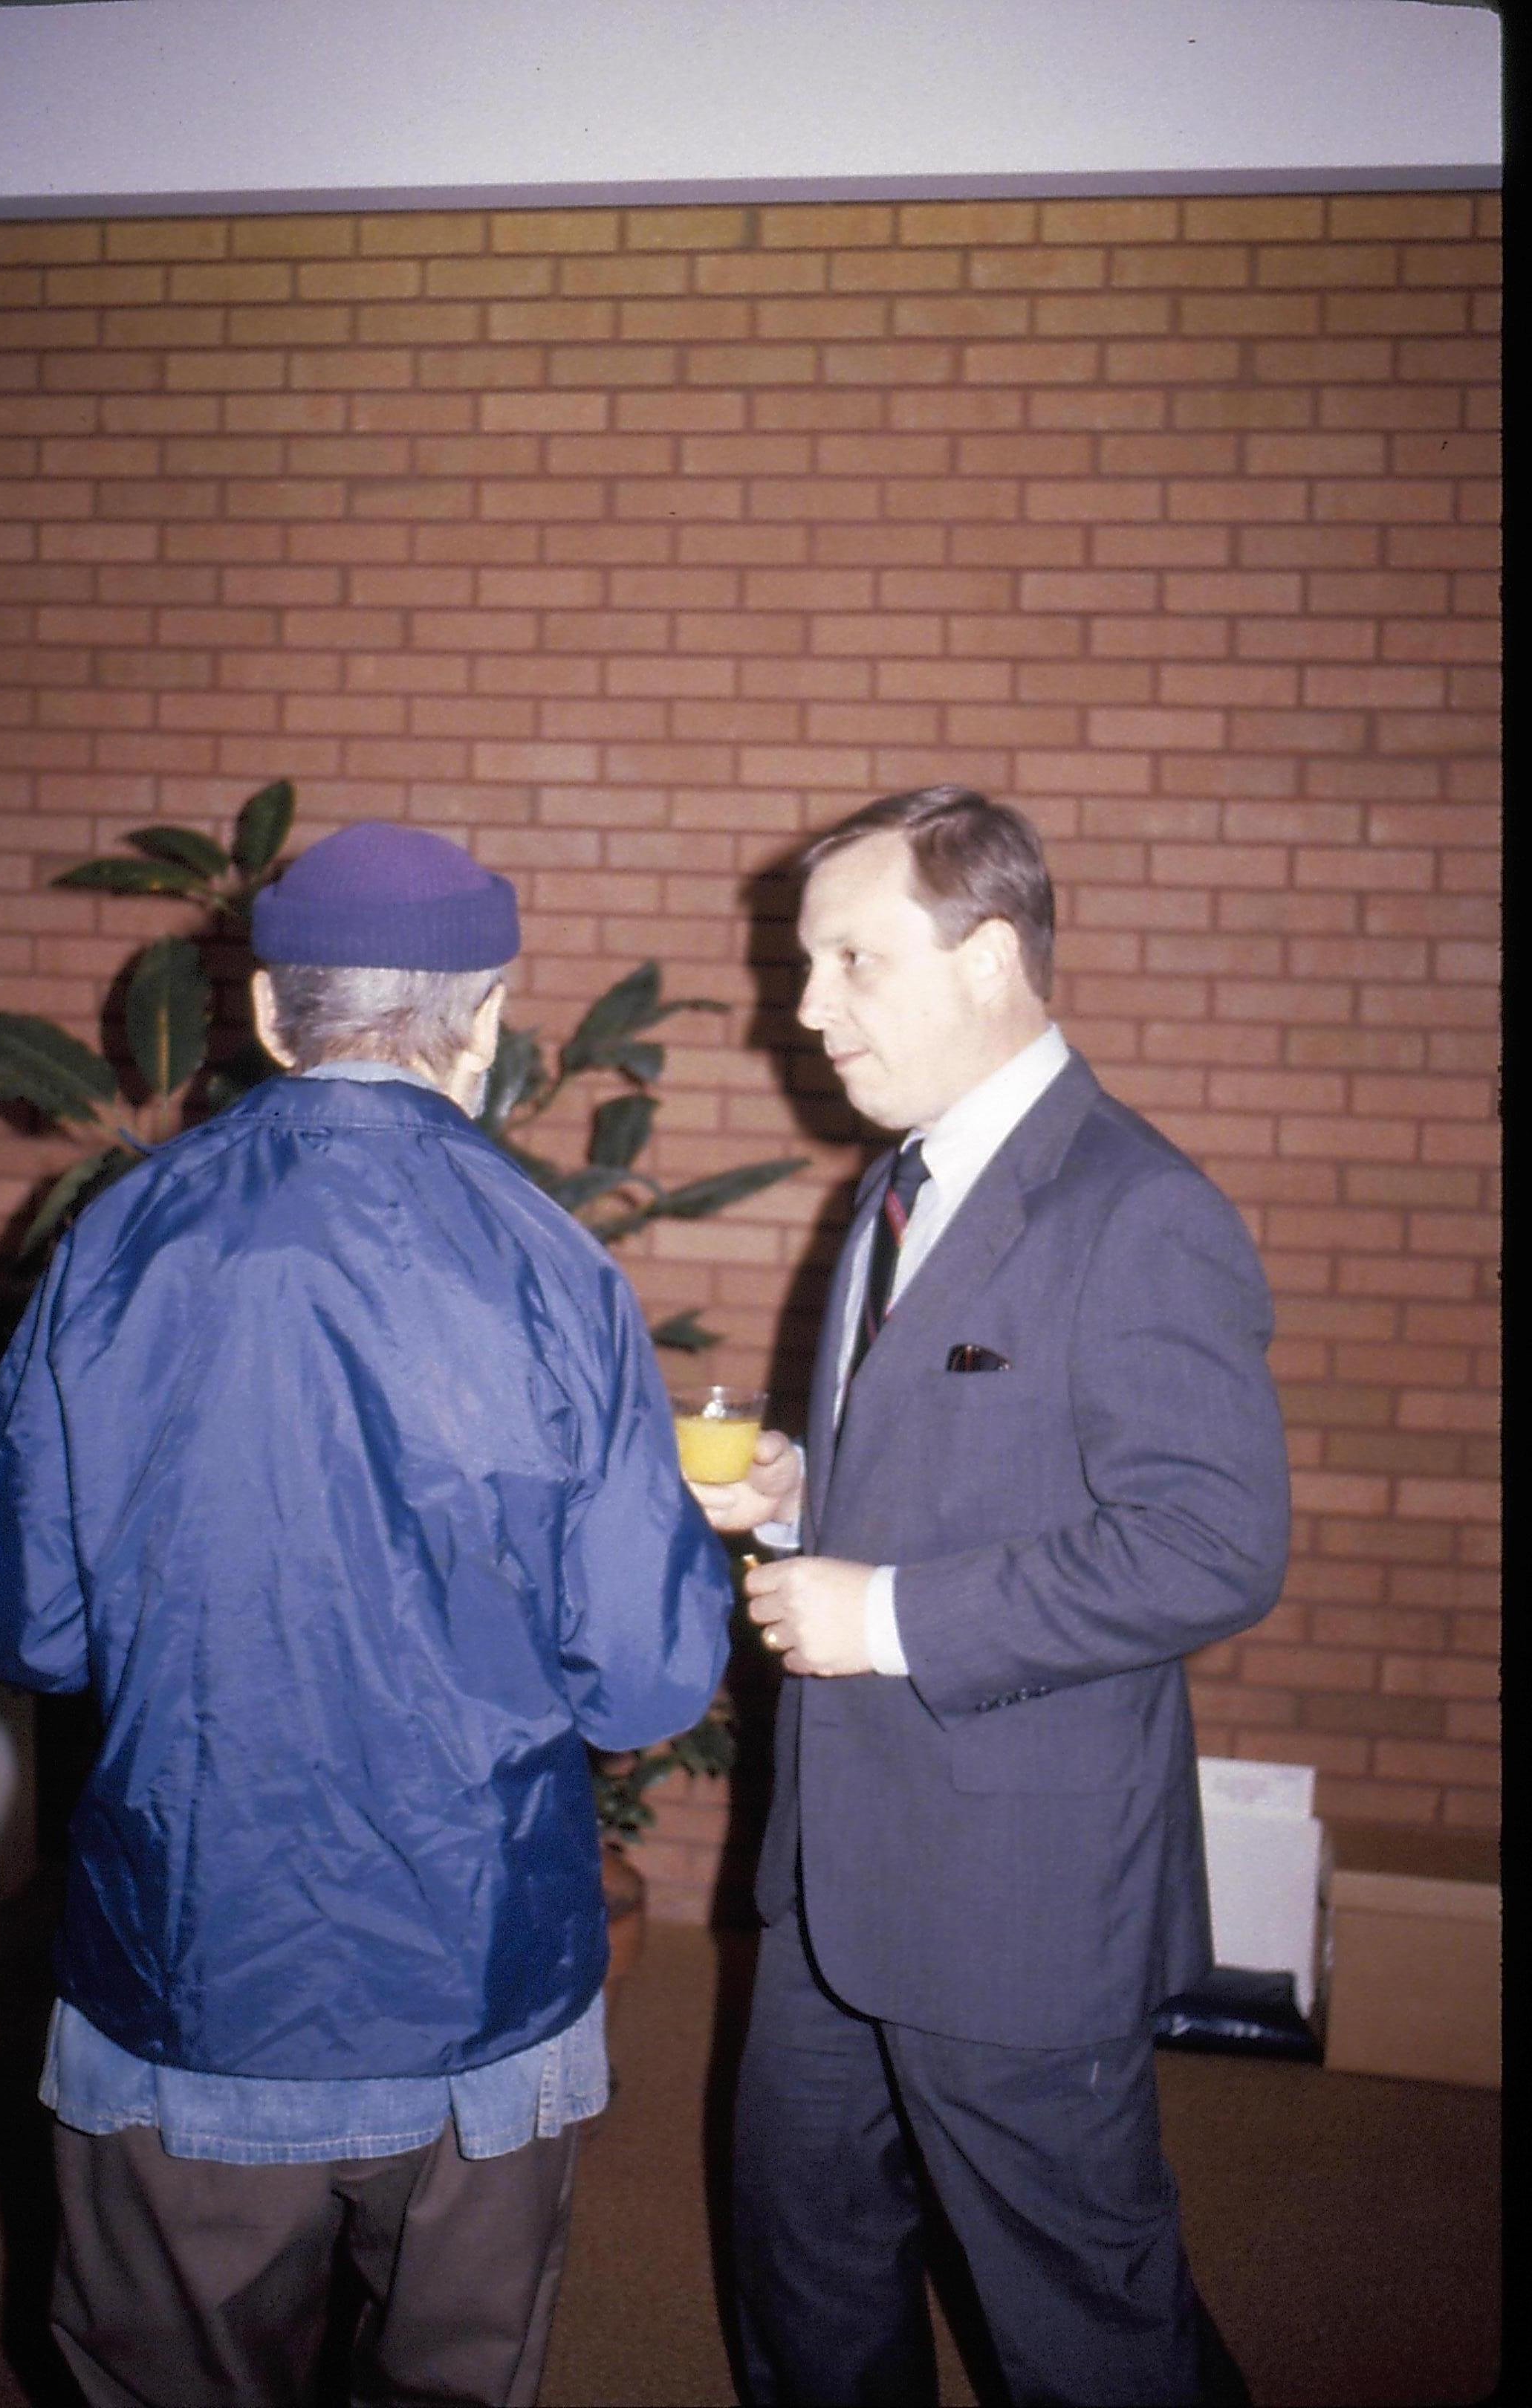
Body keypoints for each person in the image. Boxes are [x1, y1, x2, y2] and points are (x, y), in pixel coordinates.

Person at [0, 821, 733, 2408]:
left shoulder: (122, 1240)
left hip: (189, 1967)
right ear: (489, 1024)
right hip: (477, 1984)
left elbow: (22, 1623)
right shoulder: (558, 1273)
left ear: (276, 1020)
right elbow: (642, 1681)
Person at [692, 787, 1289, 2408]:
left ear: (992, 958)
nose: (802, 1009)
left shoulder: (1137, 1210)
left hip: (1014, 1897)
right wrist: (811, 1491)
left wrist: (882, 1616)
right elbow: (980, 1455)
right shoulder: (896, 1185)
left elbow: (1213, 1543)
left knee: (1082, 2328)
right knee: (804, 2268)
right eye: (805, 965)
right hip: (837, 1882)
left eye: (850, 961)